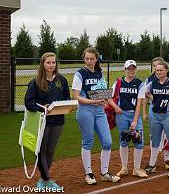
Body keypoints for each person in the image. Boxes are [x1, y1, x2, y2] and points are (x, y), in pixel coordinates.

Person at [72, 47, 120, 185]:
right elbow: (75, 96)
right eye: (86, 58)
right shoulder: (80, 74)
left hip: (99, 111)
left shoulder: (99, 72)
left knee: (107, 141)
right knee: (88, 141)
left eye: (91, 58)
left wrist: (105, 98)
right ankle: (89, 173)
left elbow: (103, 92)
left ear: (96, 59)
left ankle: (104, 172)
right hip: (85, 110)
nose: (89, 61)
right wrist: (94, 101)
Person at [24, 52, 70, 190]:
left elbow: (66, 97)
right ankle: (47, 179)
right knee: (41, 151)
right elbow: (28, 102)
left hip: (58, 120)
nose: (51, 65)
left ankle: (43, 179)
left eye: (53, 62)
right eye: (48, 62)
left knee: (50, 151)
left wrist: (68, 105)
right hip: (42, 121)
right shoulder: (35, 82)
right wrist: (41, 107)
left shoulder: (62, 80)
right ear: (43, 64)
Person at [109, 60, 148, 178]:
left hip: (134, 114)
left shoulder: (140, 84)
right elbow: (109, 98)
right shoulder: (118, 82)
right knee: (124, 141)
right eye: (129, 68)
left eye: (133, 68)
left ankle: (136, 168)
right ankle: (124, 168)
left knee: (139, 141)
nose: (131, 70)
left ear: (136, 69)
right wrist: (116, 108)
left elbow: (139, 104)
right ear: (124, 69)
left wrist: (135, 120)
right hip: (121, 115)